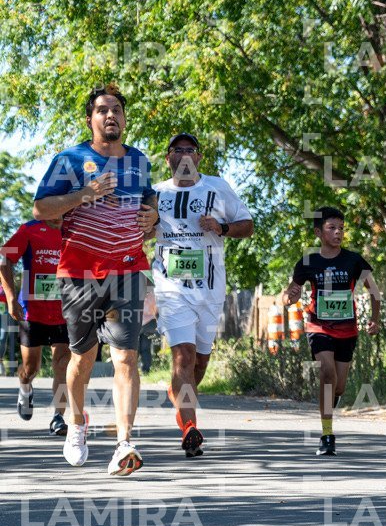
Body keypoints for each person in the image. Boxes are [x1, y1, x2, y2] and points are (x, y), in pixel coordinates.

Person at [32, 85, 157, 476]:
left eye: (116, 109)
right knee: (82, 358)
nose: (110, 115)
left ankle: (124, 443)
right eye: (102, 110)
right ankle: (76, 423)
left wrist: (153, 215)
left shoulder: (138, 160)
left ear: (124, 118)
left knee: (126, 357)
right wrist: (84, 195)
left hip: (128, 270)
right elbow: (41, 208)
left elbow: (149, 200)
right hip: (80, 273)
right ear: (90, 119)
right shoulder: (69, 160)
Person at [151, 133, 254, 458]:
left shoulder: (217, 187)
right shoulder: (155, 193)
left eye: (190, 150)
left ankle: (180, 398)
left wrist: (222, 228)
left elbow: (247, 225)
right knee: (183, 355)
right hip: (170, 286)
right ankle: (190, 429)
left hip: (209, 288)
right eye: (177, 150)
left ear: (198, 157)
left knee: (200, 361)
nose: (184, 155)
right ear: (168, 158)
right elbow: (140, 231)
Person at [282, 207, 381, 455]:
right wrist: (289, 298)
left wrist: (375, 320)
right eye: (332, 228)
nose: (338, 232)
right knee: (327, 373)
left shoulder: (354, 260)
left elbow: (374, 291)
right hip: (318, 326)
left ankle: (330, 400)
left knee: (338, 387)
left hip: (347, 330)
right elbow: (291, 293)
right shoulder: (308, 261)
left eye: (341, 228)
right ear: (318, 232)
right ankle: (327, 435)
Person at [0, 216, 71, 434]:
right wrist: (11, 298)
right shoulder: (29, 229)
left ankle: (58, 417)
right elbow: (5, 259)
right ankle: (25, 388)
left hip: (65, 311)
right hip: (32, 311)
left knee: (62, 364)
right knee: (30, 368)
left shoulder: (74, 228)